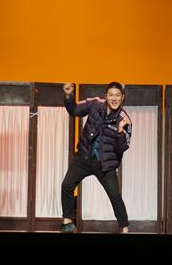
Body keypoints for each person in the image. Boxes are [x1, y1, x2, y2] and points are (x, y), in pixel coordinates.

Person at [60, 81, 132, 234]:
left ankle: (124, 228)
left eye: (117, 95)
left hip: (105, 164)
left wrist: (120, 131)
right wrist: (68, 96)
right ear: (105, 96)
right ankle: (67, 223)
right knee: (67, 185)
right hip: (84, 156)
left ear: (122, 97)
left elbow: (123, 148)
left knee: (115, 196)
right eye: (111, 95)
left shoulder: (124, 119)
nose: (114, 98)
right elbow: (74, 110)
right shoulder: (94, 105)